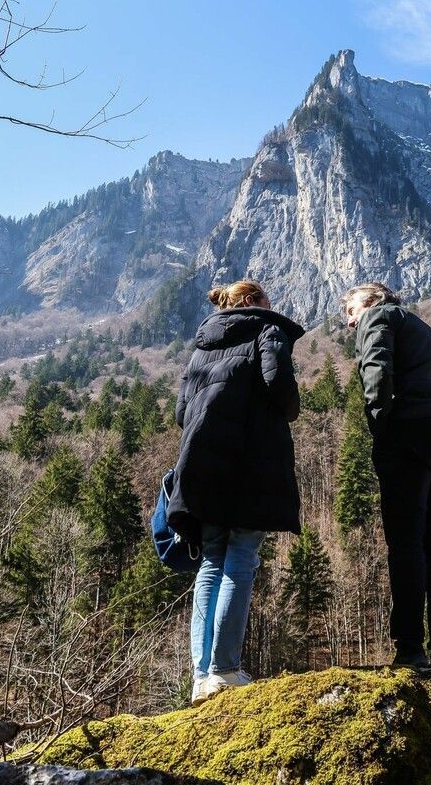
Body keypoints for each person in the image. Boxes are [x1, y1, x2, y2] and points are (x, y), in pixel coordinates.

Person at [169, 280, 304, 705]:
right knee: (242, 555)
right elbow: (279, 385)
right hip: (250, 461)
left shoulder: (201, 346)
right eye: (266, 299)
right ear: (250, 302)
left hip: (202, 466)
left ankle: (201, 676)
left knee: (211, 560)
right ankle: (225, 669)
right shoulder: (267, 330)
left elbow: (179, 412)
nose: (272, 305)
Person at [342, 282, 431, 673]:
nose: (349, 320)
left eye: (351, 308)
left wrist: (381, 429)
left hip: (409, 435)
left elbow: (376, 371)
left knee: (405, 543)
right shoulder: (424, 329)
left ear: (372, 299)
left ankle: (410, 649)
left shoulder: (378, 316)